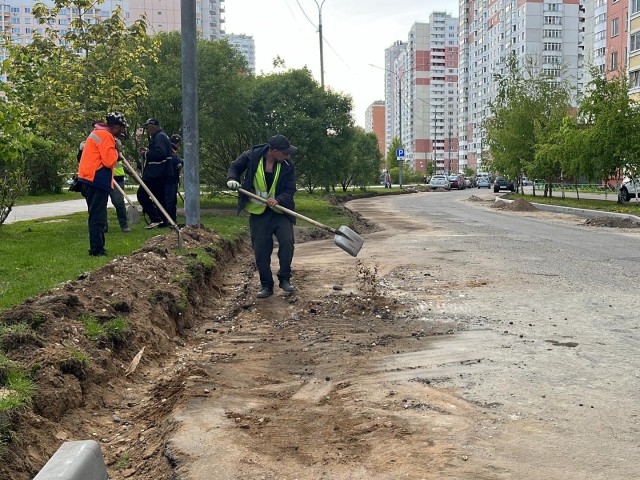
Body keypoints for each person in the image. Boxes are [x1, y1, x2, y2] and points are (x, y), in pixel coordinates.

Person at [227, 134, 298, 298]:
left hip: (280, 211)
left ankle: (285, 279)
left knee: (287, 243)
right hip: (258, 212)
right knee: (261, 251)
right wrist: (232, 179)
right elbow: (235, 167)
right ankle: (266, 285)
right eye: (285, 153)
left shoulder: (287, 165)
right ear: (274, 151)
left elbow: (290, 189)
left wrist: (278, 199)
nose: (288, 156)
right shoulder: (251, 156)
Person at [77, 111, 128, 256]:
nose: (123, 131)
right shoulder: (106, 136)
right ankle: (96, 250)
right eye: (123, 127)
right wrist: (116, 153)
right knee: (97, 217)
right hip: (95, 180)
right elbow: (108, 161)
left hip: (89, 178)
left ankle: (99, 246)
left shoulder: (97, 133)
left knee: (96, 215)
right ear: (116, 127)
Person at [136, 118, 172, 228]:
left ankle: (155, 218)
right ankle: (164, 220)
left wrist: (146, 154)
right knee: (159, 198)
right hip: (161, 173)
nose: (147, 130)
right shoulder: (162, 136)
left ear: (154, 126)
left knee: (142, 194)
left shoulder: (159, 137)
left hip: (155, 173)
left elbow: (160, 154)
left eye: (148, 127)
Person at [165, 134, 184, 223]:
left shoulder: (172, 151)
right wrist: (181, 161)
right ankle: (169, 220)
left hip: (173, 179)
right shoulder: (169, 151)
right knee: (170, 201)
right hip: (169, 180)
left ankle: (172, 219)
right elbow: (174, 160)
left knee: (172, 201)